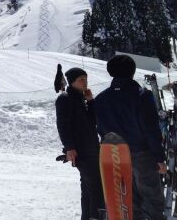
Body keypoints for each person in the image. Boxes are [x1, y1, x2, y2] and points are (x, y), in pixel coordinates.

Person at [94, 55, 166, 220]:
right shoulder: (141, 96)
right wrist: (159, 157)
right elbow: (150, 129)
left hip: (115, 155)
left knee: (127, 200)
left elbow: (101, 129)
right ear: (132, 71)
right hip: (141, 154)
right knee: (151, 198)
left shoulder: (101, 99)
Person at [56, 67, 104, 220]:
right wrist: (69, 148)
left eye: (86, 79)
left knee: (88, 188)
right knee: (96, 188)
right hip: (81, 151)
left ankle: (88, 217)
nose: (85, 82)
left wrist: (91, 102)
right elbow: (62, 125)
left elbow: (93, 121)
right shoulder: (65, 99)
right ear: (72, 82)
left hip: (92, 149)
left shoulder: (81, 99)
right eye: (81, 79)